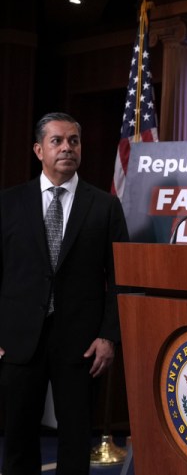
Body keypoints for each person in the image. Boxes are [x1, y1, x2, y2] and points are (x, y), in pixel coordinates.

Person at [0, 112, 129, 475]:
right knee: (18, 440)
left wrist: (108, 336)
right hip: (19, 340)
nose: (67, 148)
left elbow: (121, 277)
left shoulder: (104, 206)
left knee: (75, 441)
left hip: (83, 342)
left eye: (73, 140)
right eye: (57, 141)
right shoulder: (9, 204)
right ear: (39, 150)